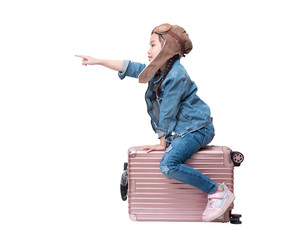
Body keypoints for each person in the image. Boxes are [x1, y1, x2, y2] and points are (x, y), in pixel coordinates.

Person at [75, 23, 234, 222]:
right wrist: (98, 61)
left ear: (167, 47)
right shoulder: (161, 70)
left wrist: (162, 141)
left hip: (197, 129)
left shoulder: (175, 75)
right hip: (184, 131)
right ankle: (215, 190)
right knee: (169, 161)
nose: (148, 50)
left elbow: (168, 110)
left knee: (168, 165)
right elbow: (133, 68)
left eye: (152, 45)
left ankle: (218, 191)